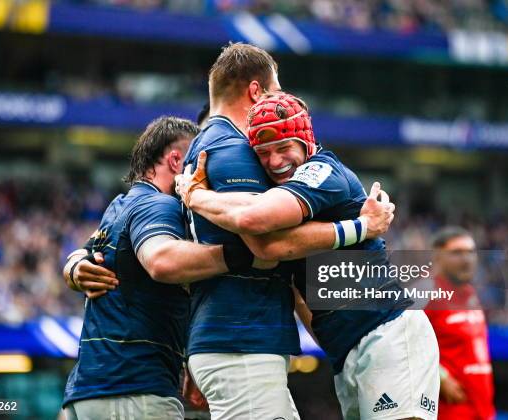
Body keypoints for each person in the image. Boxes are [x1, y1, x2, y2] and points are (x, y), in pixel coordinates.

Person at [178, 91, 440, 420]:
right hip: (348, 350)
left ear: (306, 141)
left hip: (387, 332)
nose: (275, 161)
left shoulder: (322, 171)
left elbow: (259, 231)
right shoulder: (278, 194)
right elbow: (297, 293)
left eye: (284, 148)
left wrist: (195, 195)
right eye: (263, 153)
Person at [62, 116, 266, 420]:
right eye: (195, 160)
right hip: (134, 391)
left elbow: (82, 259)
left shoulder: (120, 205)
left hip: (89, 392)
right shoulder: (161, 205)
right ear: (175, 160)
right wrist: (245, 254)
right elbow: (161, 261)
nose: (204, 172)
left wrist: (74, 267)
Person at [425, 227, 496, 420]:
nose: (467, 259)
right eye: (457, 253)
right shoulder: (426, 293)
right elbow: (401, 344)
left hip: (482, 409)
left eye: (471, 252)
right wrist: (440, 375)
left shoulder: (470, 294)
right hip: (450, 411)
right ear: (437, 256)